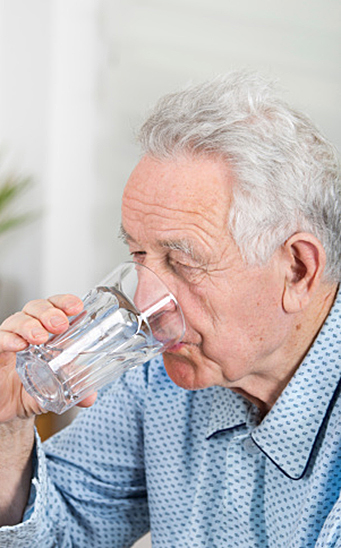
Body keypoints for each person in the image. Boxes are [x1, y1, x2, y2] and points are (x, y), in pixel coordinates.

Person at [0, 70, 339, 548]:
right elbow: (58, 532)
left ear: (298, 270)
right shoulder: (161, 376)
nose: (144, 304)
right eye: (139, 256)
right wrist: (9, 430)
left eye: (181, 262)